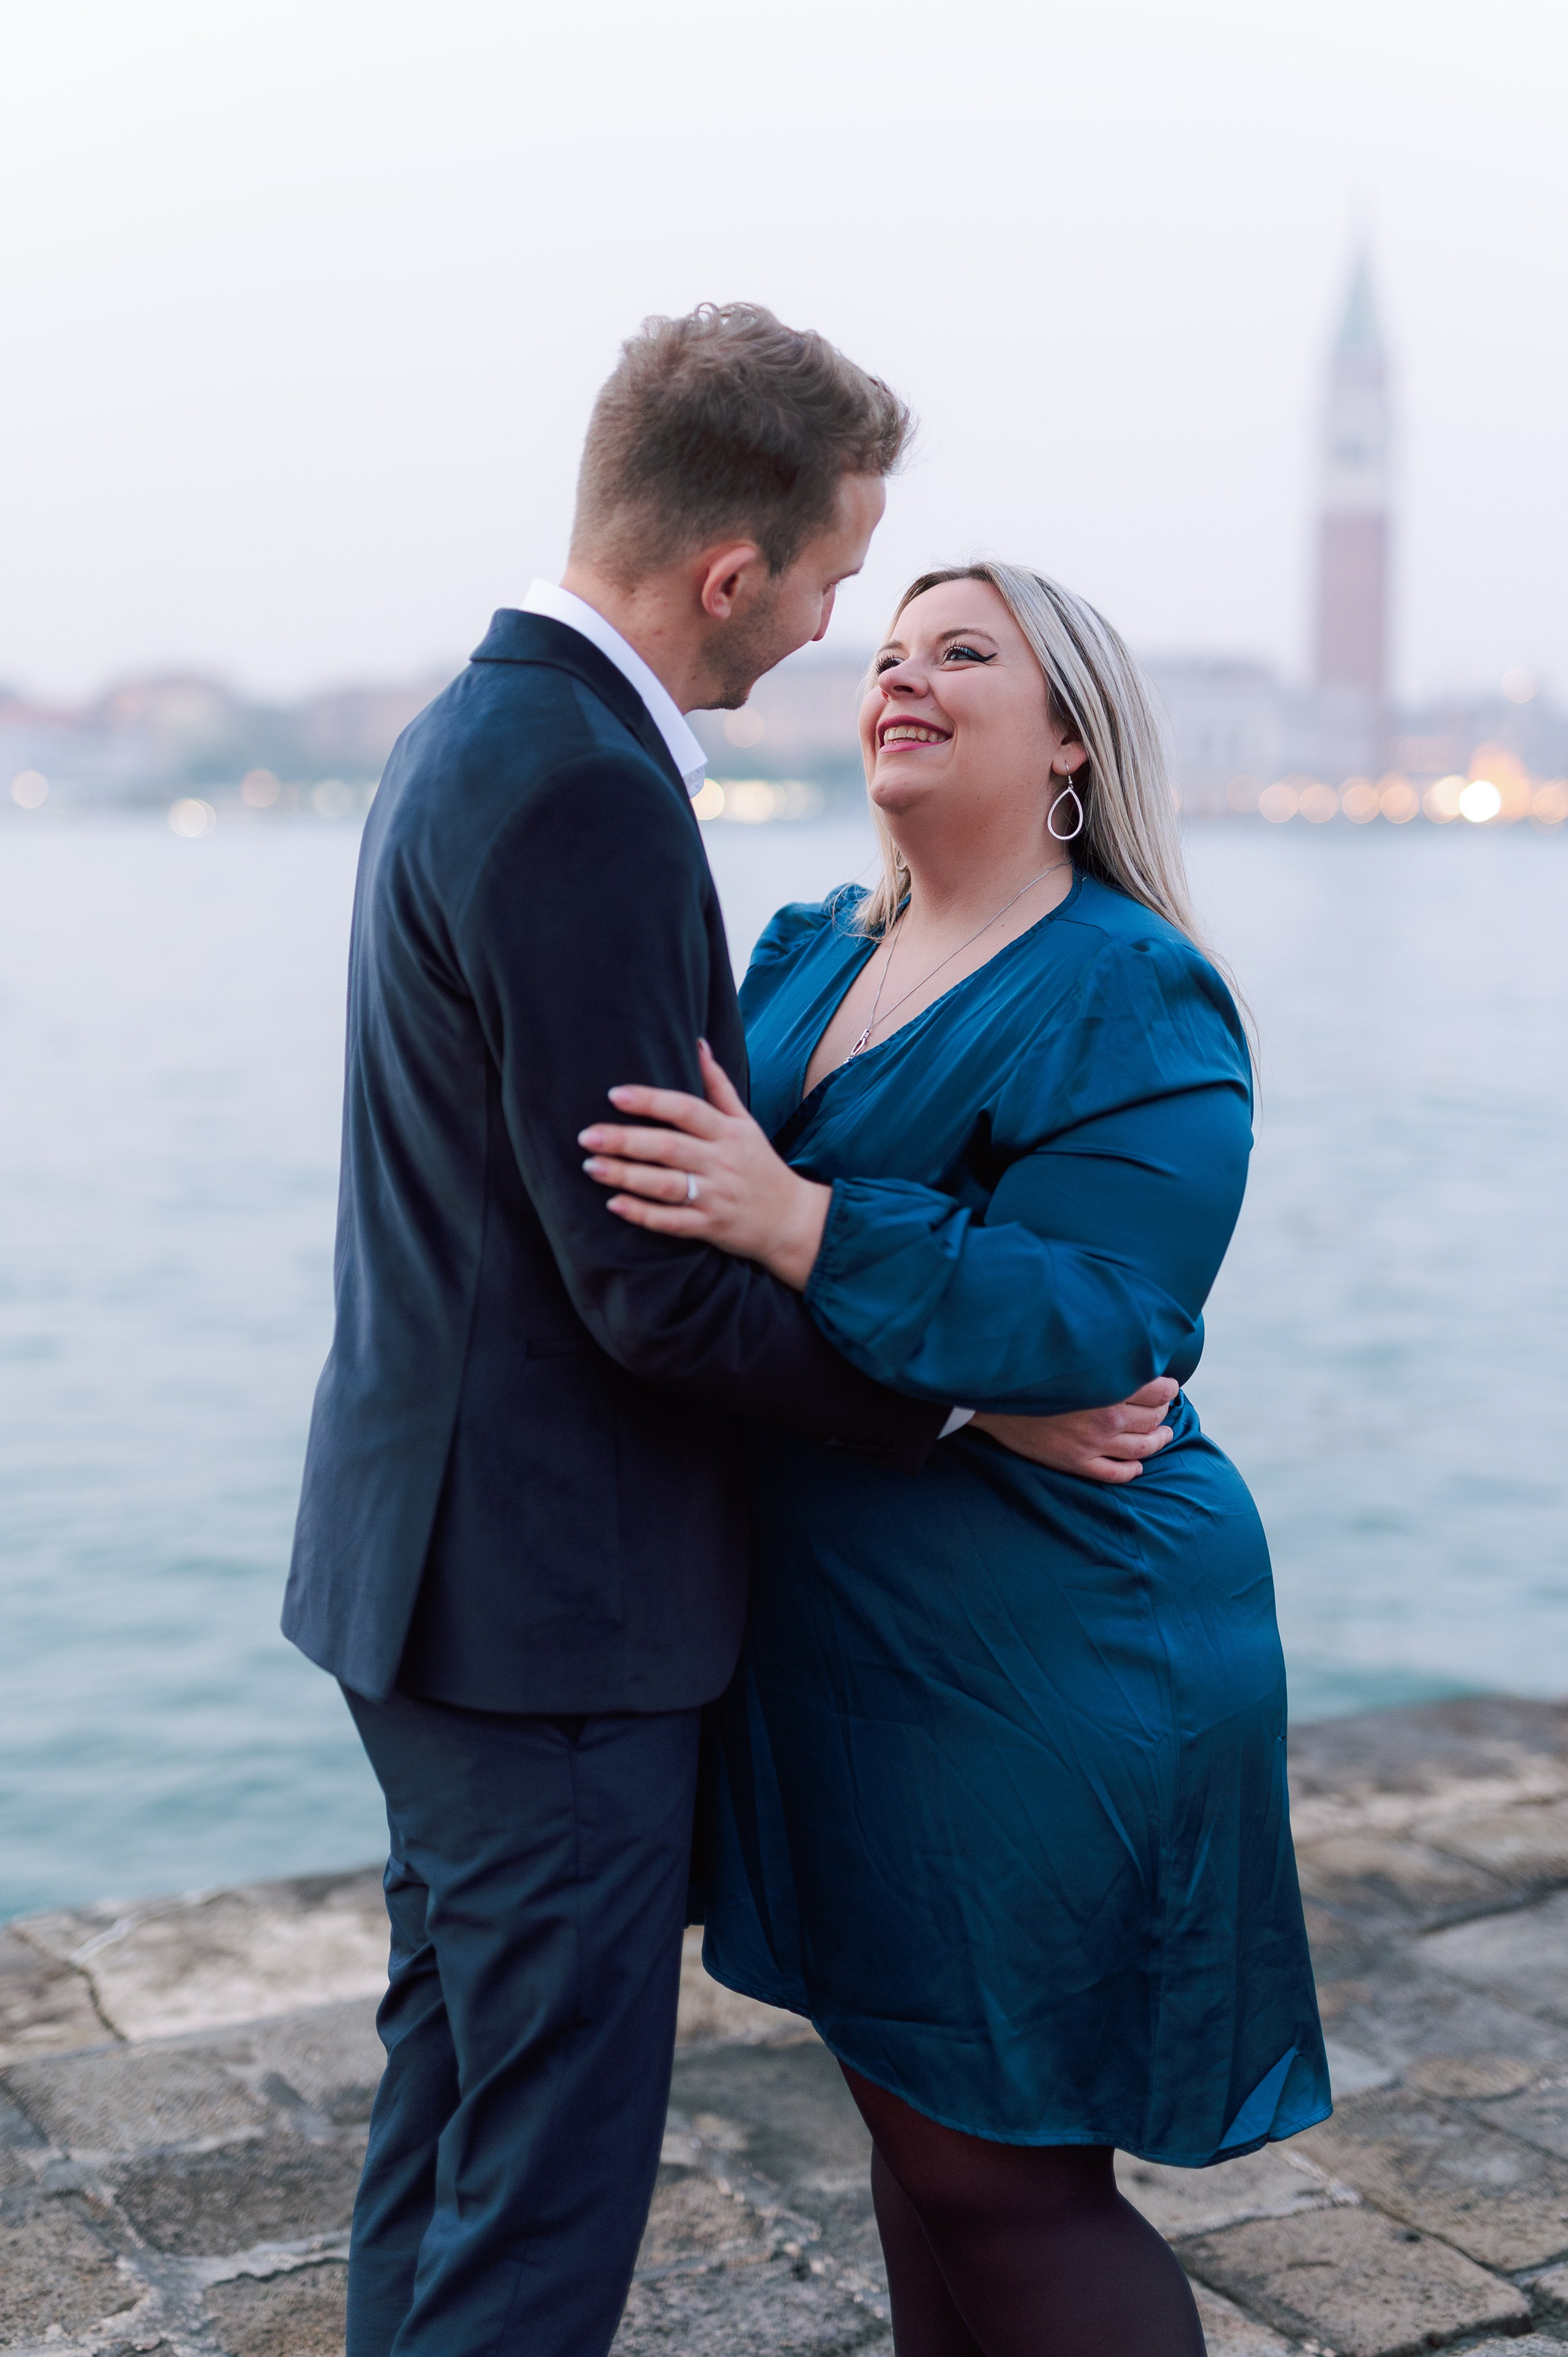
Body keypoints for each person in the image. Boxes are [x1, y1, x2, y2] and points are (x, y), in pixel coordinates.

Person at [283, 314, 1173, 2357]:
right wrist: (964, 1409)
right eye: (842, 580)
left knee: (448, 2144)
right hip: (553, 1623)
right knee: (535, 2201)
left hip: (436, 1587)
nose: (835, 628)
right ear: (729, 573)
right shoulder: (588, 790)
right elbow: (654, 1284)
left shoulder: (466, 734)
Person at [580, 560, 1332, 2357]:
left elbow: (1104, 1320)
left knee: (1006, 2178)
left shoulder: (1134, 991)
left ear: (1069, 733)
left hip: (1054, 1640)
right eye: (890, 654)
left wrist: (803, 1223)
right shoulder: (804, 952)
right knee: (915, 2147)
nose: (901, 680)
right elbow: (681, 1260)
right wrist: (927, 1362)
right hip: (846, 1634)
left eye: (963, 655)